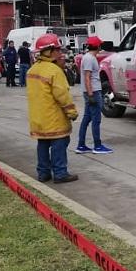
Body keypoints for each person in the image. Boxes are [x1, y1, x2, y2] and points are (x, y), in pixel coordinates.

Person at [26, 33, 79, 183]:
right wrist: (72, 112)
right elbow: (62, 95)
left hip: (38, 119)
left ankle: (43, 173)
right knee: (59, 145)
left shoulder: (32, 70)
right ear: (49, 51)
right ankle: (60, 173)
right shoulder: (54, 71)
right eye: (57, 49)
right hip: (54, 118)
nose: (60, 52)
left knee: (42, 145)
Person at [76, 36, 113, 154]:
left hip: (91, 91)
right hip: (93, 92)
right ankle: (97, 146)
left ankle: (81, 145)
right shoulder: (89, 59)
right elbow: (87, 77)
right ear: (97, 46)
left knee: (87, 118)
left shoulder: (88, 57)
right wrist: (91, 95)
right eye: (100, 45)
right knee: (96, 119)